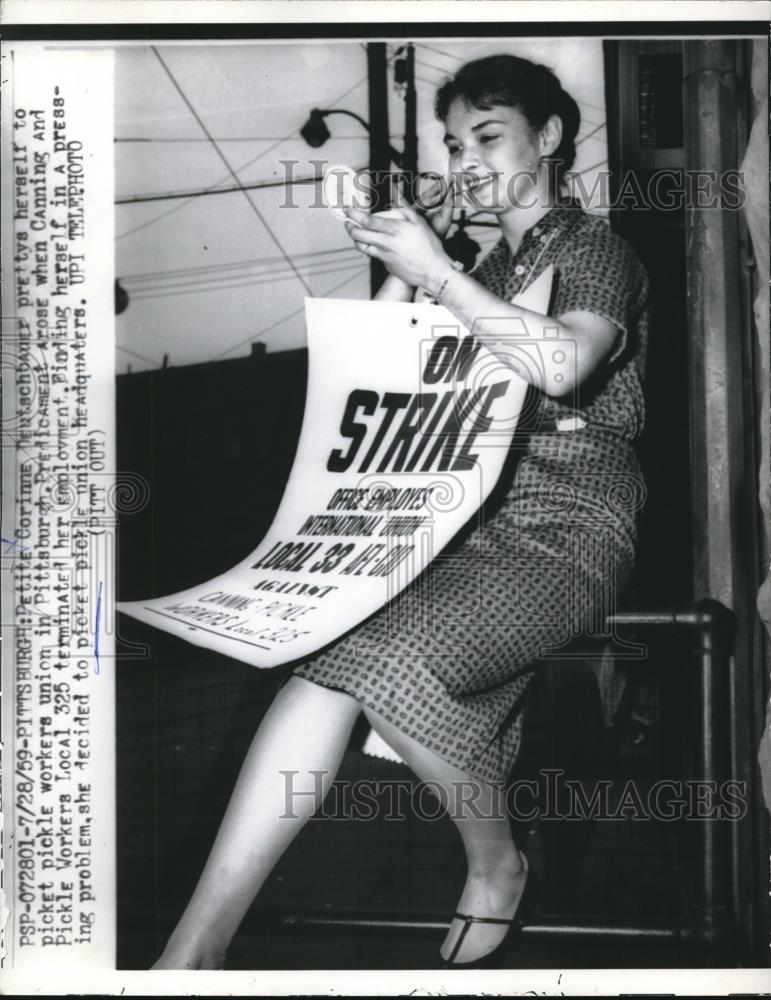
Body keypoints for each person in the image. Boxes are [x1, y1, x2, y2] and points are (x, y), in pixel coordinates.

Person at [152, 53, 649, 971]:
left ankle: (497, 864)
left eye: (489, 137)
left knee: (371, 655)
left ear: (548, 139)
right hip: (467, 517)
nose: (466, 159)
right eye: (455, 143)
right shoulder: (491, 262)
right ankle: (192, 954)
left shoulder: (592, 250)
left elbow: (565, 366)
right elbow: (379, 379)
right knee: (319, 662)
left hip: (570, 520)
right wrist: (405, 265)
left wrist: (440, 274)